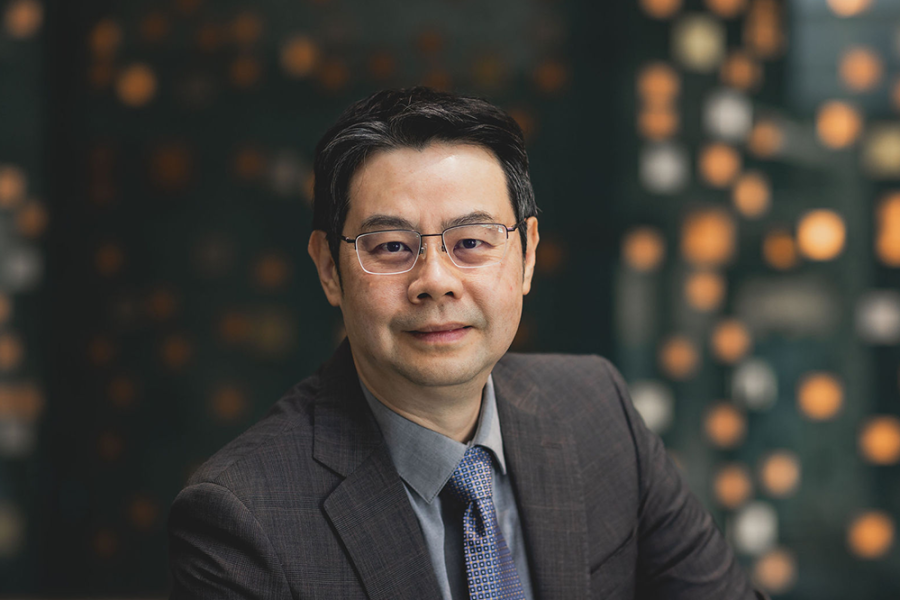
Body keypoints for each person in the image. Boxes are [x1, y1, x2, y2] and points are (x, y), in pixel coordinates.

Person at [168, 87, 765, 600]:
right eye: (392, 247)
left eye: (472, 242)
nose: (435, 281)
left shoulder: (598, 410)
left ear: (527, 255)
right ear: (330, 268)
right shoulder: (243, 517)